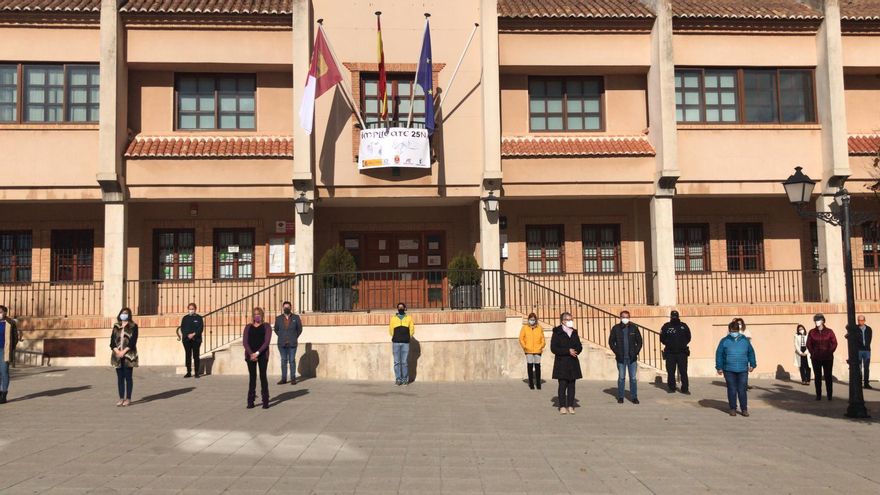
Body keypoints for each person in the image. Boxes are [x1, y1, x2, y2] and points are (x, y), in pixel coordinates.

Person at [715, 319, 757, 417]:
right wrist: (719, 367)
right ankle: (733, 408)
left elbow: (751, 352)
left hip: (743, 369)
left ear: (738, 330)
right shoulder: (724, 341)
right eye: (731, 331)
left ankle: (744, 409)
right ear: (729, 330)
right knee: (732, 389)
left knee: (742, 389)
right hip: (728, 369)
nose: (733, 333)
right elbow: (719, 354)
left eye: (735, 331)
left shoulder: (745, 340)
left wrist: (753, 364)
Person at [551, 312, 582, 415]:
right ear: (563, 321)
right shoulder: (557, 332)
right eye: (568, 320)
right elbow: (554, 348)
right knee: (562, 385)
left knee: (572, 386)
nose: (570, 321)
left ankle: (571, 405)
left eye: (571, 319)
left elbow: (579, 346)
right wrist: (567, 351)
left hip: (573, 362)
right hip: (562, 363)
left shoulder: (574, 332)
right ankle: (562, 406)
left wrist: (575, 350)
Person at [609, 310, 643, 404]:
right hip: (621, 358)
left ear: (629, 318)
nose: (625, 319)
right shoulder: (616, 328)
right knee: (621, 378)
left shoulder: (634, 328)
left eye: (627, 317)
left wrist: (636, 352)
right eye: (623, 317)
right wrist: (617, 352)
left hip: (632, 358)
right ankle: (620, 397)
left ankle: (634, 397)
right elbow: (611, 342)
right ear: (620, 318)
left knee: (633, 378)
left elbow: (639, 341)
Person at [243, 307, 272, 409]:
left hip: (262, 355)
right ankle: (250, 401)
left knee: (263, 377)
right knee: (252, 378)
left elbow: (267, 342)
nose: (257, 316)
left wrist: (257, 353)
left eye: (258, 314)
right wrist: (251, 354)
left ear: (262, 315)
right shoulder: (248, 327)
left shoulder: (266, 326)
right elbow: (245, 342)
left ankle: (265, 401)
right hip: (250, 355)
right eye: (255, 314)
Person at [110, 308, 138, 407]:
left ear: (129, 315)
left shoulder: (133, 326)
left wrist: (124, 351)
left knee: (128, 377)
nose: (124, 315)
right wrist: (117, 351)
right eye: (122, 313)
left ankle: (128, 398)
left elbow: (133, 342)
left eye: (126, 313)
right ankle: (121, 398)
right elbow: (112, 342)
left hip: (128, 355)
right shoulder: (116, 326)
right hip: (117, 356)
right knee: (120, 378)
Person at [806, 313, 837, 401]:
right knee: (817, 377)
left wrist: (829, 352)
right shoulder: (812, 332)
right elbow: (809, 344)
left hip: (828, 358)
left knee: (828, 376)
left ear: (823, 321)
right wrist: (813, 353)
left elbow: (834, 343)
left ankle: (829, 395)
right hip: (816, 358)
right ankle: (818, 395)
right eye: (815, 320)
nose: (816, 322)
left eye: (818, 320)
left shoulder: (829, 331)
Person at [660, 310, 691, 394]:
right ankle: (671, 387)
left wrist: (682, 344)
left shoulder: (683, 326)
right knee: (670, 371)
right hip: (670, 353)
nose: (674, 317)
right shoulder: (666, 326)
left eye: (675, 316)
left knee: (683, 371)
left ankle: (685, 388)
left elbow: (688, 337)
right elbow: (662, 338)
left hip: (682, 353)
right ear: (670, 317)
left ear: (678, 316)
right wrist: (669, 343)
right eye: (673, 316)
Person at [274, 301, 303, 385]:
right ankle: (284, 379)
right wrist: (282, 335)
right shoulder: (278, 318)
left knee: (292, 361)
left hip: (292, 344)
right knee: (283, 361)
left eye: (288, 307)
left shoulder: (296, 317)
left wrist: (294, 336)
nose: (286, 308)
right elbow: (276, 329)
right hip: (282, 344)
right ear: (283, 308)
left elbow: (300, 329)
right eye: (285, 307)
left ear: (291, 307)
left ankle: (293, 378)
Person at [389, 302, 415, 386]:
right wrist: (396, 337)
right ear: (397, 309)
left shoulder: (409, 318)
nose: (400, 308)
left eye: (402, 307)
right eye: (399, 307)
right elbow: (390, 330)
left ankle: (404, 380)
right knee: (396, 362)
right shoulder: (393, 318)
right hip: (396, 343)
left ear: (404, 308)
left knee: (404, 362)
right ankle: (398, 379)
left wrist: (408, 337)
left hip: (405, 343)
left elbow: (411, 329)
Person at [519, 312, 545, 390]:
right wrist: (525, 347)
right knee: (530, 366)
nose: (532, 321)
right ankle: (531, 383)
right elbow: (521, 338)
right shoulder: (524, 328)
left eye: (533, 319)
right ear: (528, 320)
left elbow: (543, 339)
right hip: (528, 350)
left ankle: (538, 383)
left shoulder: (539, 328)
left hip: (538, 350)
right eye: (531, 319)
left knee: (537, 367)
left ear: (536, 320)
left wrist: (541, 346)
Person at [1, 305, 20, 404]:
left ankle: (4, 394)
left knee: (4, 372)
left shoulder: (10, 322)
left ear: (5, 312)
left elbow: (15, 337)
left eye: (0, 312)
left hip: (5, 351)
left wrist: (10, 348)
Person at [179, 302, 203, 378]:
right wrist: (187, 335)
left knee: (196, 356)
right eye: (190, 309)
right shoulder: (185, 318)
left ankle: (196, 372)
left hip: (196, 340)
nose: (191, 310)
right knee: (188, 355)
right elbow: (182, 328)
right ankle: (188, 372)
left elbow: (200, 328)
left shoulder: (199, 318)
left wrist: (193, 334)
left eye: (192, 309)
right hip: (187, 340)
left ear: (195, 309)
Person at [852, 315, 872, 389]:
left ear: (864, 320)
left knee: (866, 367)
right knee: (859, 367)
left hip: (867, 350)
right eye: (859, 320)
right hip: (859, 350)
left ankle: (866, 383)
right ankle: (859, 383)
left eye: (861, 320)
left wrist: (866, 346)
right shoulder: (855, 329)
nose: (860, 322)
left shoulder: (869, 329)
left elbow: (869, 339)